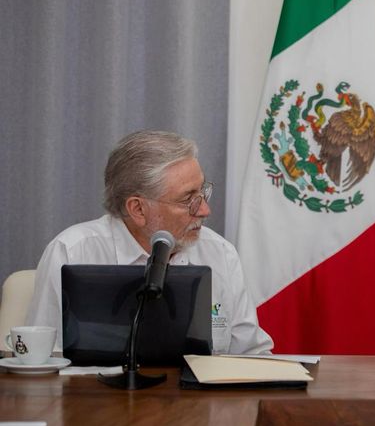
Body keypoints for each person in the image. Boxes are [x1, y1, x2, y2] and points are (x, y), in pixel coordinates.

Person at [26, 130, 274, 354]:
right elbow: (42, 359)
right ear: (138, 209)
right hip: (100, 402)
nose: (205, 210)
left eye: (202, 192)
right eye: (188, 199)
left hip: (199, 403)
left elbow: (252, 355)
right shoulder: (71, 252)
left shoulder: (220, 253)